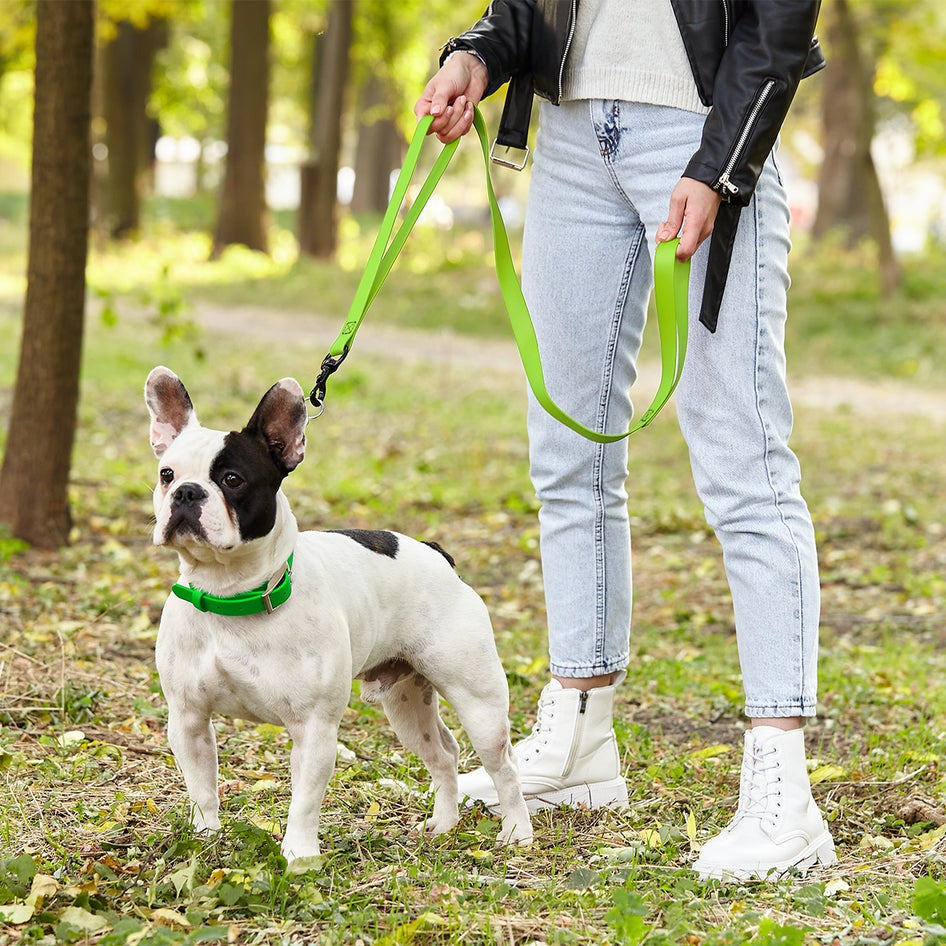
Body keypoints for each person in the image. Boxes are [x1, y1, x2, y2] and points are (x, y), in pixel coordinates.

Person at [415, 1, 837, 880]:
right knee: (568, 454)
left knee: (744, 461)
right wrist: (478, 57)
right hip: (569, 135)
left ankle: (782, 788)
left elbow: (779, 18)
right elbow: (528, 10)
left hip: (700, 130)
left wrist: (720, 166)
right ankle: (578, 735)